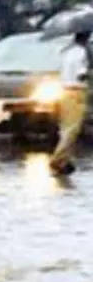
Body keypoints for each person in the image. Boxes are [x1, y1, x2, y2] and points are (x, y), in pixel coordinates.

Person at [51, 30, 90, 175]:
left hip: (64, 91)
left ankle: (65, 160)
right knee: (72, 129)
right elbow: (81, 75)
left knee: (65, 127)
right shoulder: (82, 53)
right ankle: (58, 159)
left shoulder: (67, 52)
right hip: (77, 92)